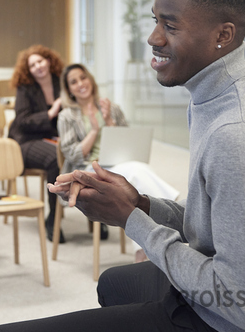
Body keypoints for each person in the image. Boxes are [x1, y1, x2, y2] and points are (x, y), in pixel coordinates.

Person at [0, 0, 245, 332]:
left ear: (223, 35)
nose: (153, 38)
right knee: (115, 282)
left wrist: (132, 221)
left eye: (171, 25)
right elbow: (213, 226)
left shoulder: (238, 134)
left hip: (242, 319)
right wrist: (141, 205)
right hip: (239, 294)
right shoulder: (222, 95)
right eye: (155, 20)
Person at [58, 62, 180, 260]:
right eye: (74, 82)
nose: (80, 83)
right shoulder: (66, 116)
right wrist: (95, 130)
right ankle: (172, 210)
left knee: (133, 175)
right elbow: (73, 155)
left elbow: (129, 142)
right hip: (90, 168)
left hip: (119, 163)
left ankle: (142, 251)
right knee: (136, 172)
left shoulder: (111, 108)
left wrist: (109, 123)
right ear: (69, 89)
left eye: (83, 77)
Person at [7, 44, 66, 242]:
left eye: (40, 61)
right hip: (25, 141)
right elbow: (22, 121)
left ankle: (95, 218)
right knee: (54, 159)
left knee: (82, 154)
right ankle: (53, 218)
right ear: (28, 70)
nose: (37, 67)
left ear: (49, 61)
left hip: (53, 137)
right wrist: (50, 112)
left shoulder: (61, 82)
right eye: (32, 65)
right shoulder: (26, 88)